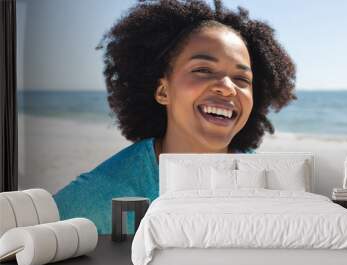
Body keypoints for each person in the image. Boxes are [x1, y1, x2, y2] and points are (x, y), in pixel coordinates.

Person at [53, 0, 296, 234]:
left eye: (242, 79)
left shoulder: (272, 186)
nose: (227, 87)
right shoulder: (102, 196)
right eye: (203, 70)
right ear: (163, 91)